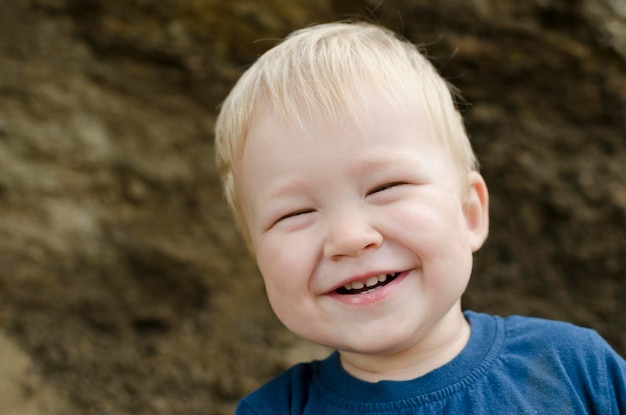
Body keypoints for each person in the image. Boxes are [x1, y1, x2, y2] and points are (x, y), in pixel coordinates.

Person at [214, 21, 626, 414]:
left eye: (384, 188)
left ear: (469, 213)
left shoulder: (573, 366)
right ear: (258, 257)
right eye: (296, 213)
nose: (349, 237)